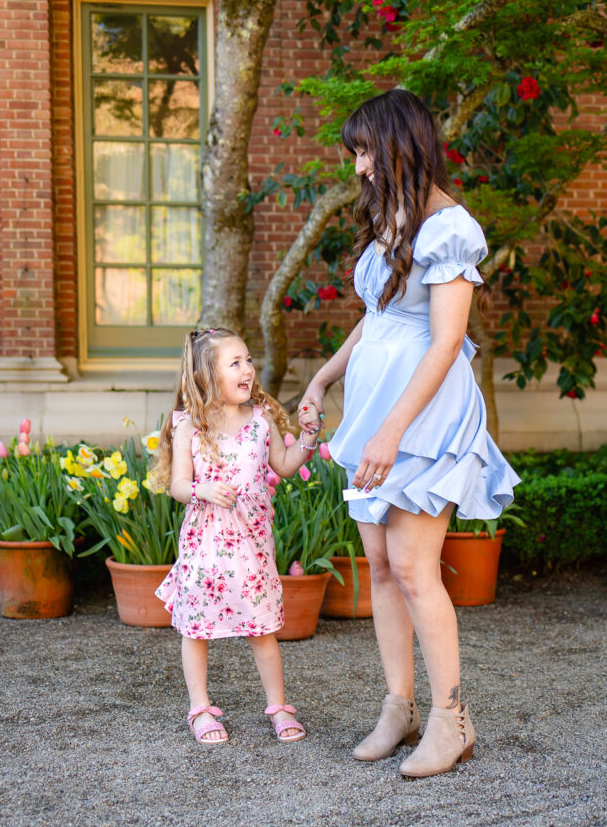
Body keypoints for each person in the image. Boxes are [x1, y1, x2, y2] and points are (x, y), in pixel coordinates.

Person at [298, 89, 520, 778]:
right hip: (374, 409)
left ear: (398, 145)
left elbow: (445, 339)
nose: (359, 166)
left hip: (422, 419)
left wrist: (391, 432)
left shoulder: (449, 227)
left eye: (365, 150)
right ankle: (400, 707)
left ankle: (452, 720)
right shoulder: (389, 218)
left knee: (417, 570)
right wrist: (323, 378)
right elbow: (377, 316)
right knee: (384, 571)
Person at [152, 327, 317, 746]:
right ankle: (201, 708)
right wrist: (202, 490)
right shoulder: (190, 426)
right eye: (235, 363)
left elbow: (283, 464)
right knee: (196, 630)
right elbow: (177, 486)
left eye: (248, 359)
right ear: (207, 377)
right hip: (205, 548)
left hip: (251, 547)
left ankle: (278, 706)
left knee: (261, 628)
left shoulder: (261, 421)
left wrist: (309, 440)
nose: (248, 369)